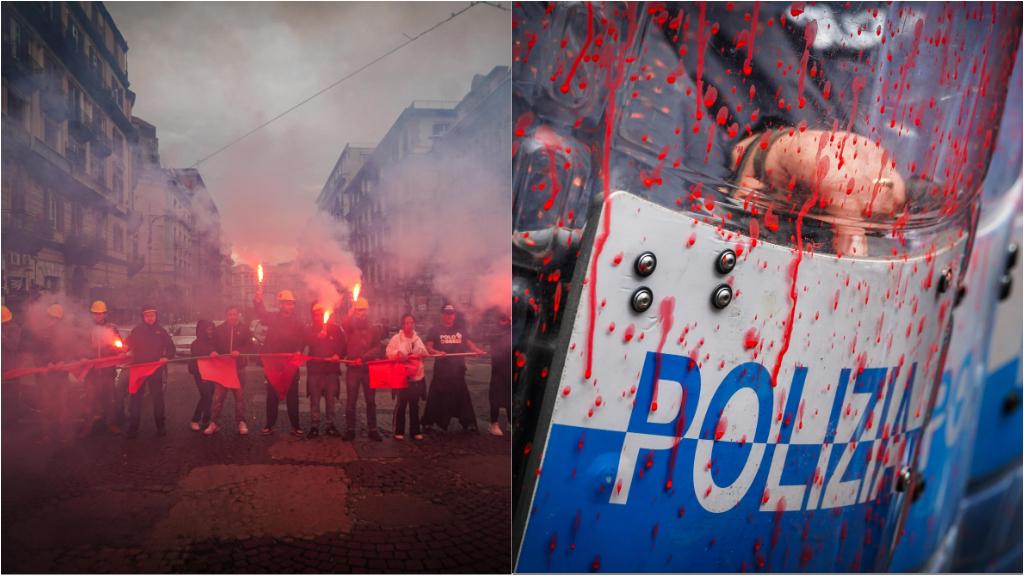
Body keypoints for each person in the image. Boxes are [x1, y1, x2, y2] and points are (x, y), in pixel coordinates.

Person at [421, 304, 486, 433]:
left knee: (462, 397)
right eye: (446, 313)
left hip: (458, 370)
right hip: (441, 372)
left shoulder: (460, 330)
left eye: (451, 313)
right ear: (442, 315)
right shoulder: (435, 330)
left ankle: (468, 422)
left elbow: (469, 343)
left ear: (454, 315)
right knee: (436, 397)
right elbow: (428, 346)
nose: (449, 316)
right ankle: (428, 422)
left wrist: (477, 350)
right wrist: (436, 352)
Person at [253, 288, 305, 437]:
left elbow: (302, 340)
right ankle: (269, 425)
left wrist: (299, 350)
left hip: (290, 364)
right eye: (286, 303)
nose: (289, 306)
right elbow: (261, 313)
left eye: (291, 303)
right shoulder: (273, 318)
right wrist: (258, 301)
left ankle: (296, 426)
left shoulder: (298, 322)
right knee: (272, 395)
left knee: (292, 396)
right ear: (280, 304)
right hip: (274, 364)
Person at [125, 304, 175, 439]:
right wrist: (125, 350)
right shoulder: (136, 331)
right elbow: (126, 345)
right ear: (143, 316)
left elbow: (171, 348)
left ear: (156, 316)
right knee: (136, 399)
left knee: (157, 399)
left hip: (155, 369)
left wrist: (166, 357)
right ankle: (133, 428)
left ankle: (161, 426)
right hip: (139, 369)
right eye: (147, 315)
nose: (150, 318)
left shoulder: (161, 331)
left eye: (152, 315)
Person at [206, 305, 252, 435]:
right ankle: (214, 422)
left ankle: (241, 422)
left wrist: (241, 351)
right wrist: (212, 351)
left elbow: (250, 344)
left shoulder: (245, 329)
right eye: (230, 314)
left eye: (234, 314)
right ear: (226, 315)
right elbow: (211, 344)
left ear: (239, 315)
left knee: (240, 398)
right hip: (223, 369)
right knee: (218, 398)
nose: (232, 316)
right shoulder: (219, 329)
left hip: (239, 368)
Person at [341, 297, 383, 441]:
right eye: (359, 310)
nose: (361, 313)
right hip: (353, 369)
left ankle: (373, 429)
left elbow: (378, 348)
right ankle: (350, 429)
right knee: (351, 401)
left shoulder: (374, 328)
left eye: (363, 310)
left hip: (368, 369)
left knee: (371, 401)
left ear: (367, 311)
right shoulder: (350, 326)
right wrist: (350, 312)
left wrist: (364, 357)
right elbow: (344, 323)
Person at [305, 303, 346, 438]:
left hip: (331, 372)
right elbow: (306, 343)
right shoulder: (310, 330)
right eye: (315, 314)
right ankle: (314, 426)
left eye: (320, 314)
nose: (318, 317)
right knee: (315, 400)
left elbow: (343, 346)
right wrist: (317, 337)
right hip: (315, 372)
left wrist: (338, 355)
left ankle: (330, 425)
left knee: (330, 400)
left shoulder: (336, 329)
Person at [386, 313, 429, 441]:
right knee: (401, 404)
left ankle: (415, 431)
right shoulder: (396, 338)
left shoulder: (417, 339)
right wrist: (397, 354)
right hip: (401, 377)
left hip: (415, 378)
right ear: (402, 324)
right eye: (406, 323)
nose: (409, 325)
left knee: (414, 405)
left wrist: (421, 353)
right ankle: (399, 430)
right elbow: (388, 352)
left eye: (411, 322)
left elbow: (424, 353)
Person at [84, 300, 122, 436]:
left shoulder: (112, 328)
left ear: (105, 314)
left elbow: (119, 346)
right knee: (89, 400)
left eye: (100, 313)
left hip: (107, 371)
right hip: (91, 371)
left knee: (110, 399)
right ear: (92, 314)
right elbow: (80, 347)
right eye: (95, 313)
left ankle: (111, 424)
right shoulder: (86, 329)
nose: (98, 316)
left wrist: (115, 347)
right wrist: (85, 356)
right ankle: (87, 426)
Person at [188, 320, 216, 433]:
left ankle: (206, 419)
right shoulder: (196, 343)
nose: (211, 331)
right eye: (208, 329)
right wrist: (211, 352)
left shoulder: (212, 341)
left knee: (210, 395)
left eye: (211, 329)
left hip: (211, 372)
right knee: (206, 395)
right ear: (202, 330)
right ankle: (195, 420)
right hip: (199, 373)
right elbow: (201, 357)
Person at [487, 312, 512, 437]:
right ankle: (493, 424)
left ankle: (510, 422)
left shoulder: (512, 330)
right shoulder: (495, 330)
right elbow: (491, 338)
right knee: (495, 397)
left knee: (509, 396)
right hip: (498, 369)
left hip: (509, 369)